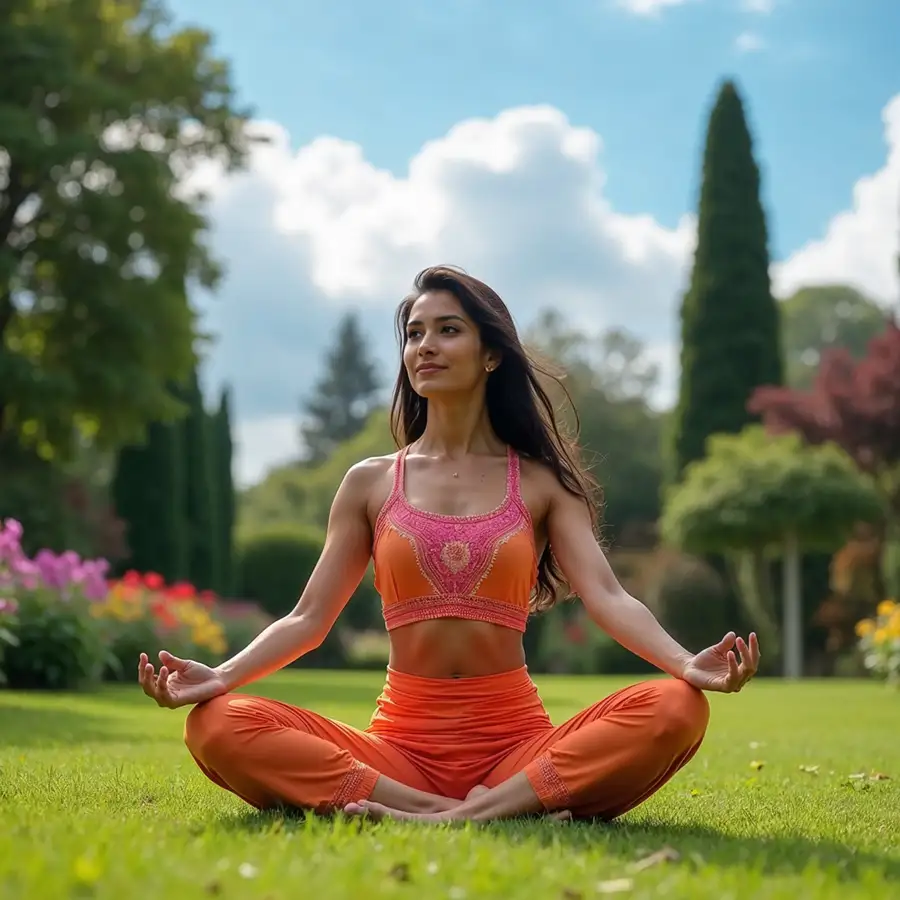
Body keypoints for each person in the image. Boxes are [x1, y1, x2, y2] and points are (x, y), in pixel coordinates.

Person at [138, 265, 759, 824]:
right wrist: (218, 675)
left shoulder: (542, 482)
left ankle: (473, 808)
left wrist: (683, 663)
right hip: (398, 751)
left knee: (679, 709)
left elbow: (607, 594)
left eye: (447, 330)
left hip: (519, 747)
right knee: (216, 724)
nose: (424, 346)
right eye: (413, 333)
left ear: (491, 354)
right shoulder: (370, 482)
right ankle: (451, 809)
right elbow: (306, 620)